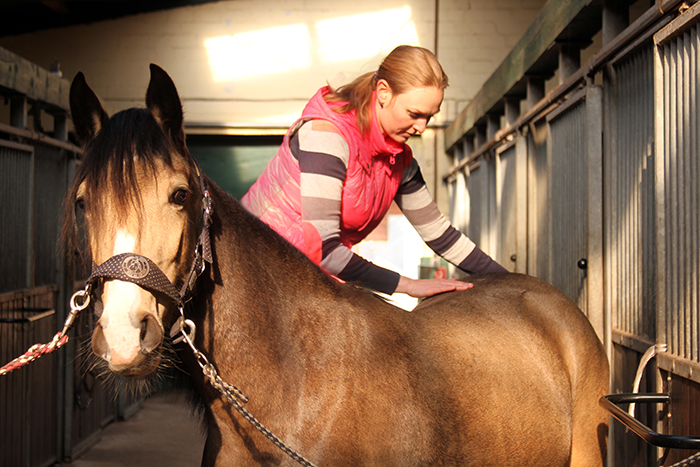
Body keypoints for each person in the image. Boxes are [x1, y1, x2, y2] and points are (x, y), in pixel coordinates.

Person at [241, 45, 507, 298]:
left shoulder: (399, 161)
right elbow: (323, 249)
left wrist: (510, 282)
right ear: (383, 92)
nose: (422, 127)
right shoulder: (327, 137)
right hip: (251, 267)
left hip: (305, 276)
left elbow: (439, 234)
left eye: (430, 116)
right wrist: (408, 285)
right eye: (414, 113)